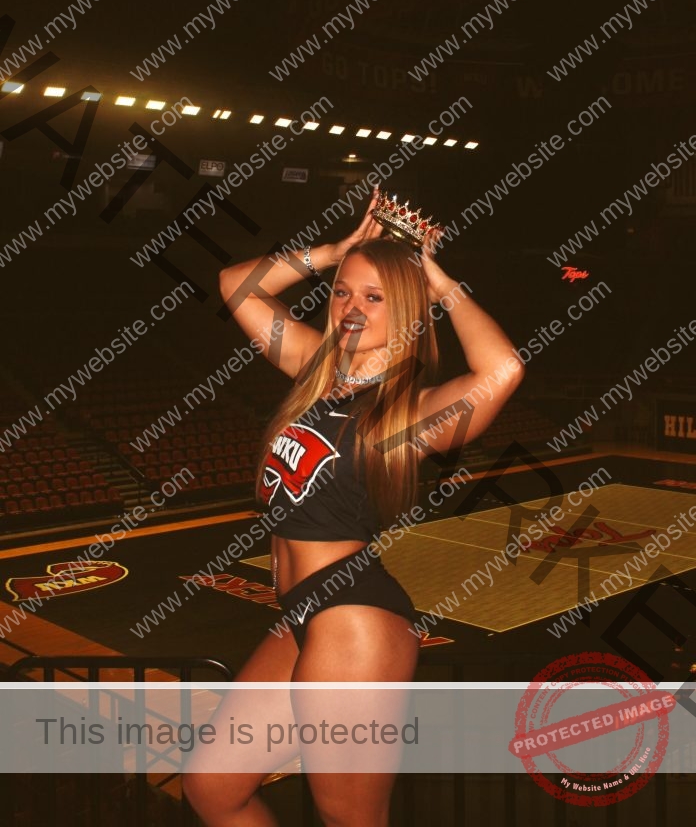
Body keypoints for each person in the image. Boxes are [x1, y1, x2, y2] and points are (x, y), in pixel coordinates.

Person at [183, 187, 524, 826]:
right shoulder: (316, 369)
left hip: (354, 620)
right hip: (300, 612)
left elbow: (501, 370)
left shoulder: (409, 412)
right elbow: (235, 284)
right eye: (344, 292)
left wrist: (435, 278)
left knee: (350, 819)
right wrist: (335, 252)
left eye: (375, 297)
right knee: (212, 789)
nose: (353, 309)